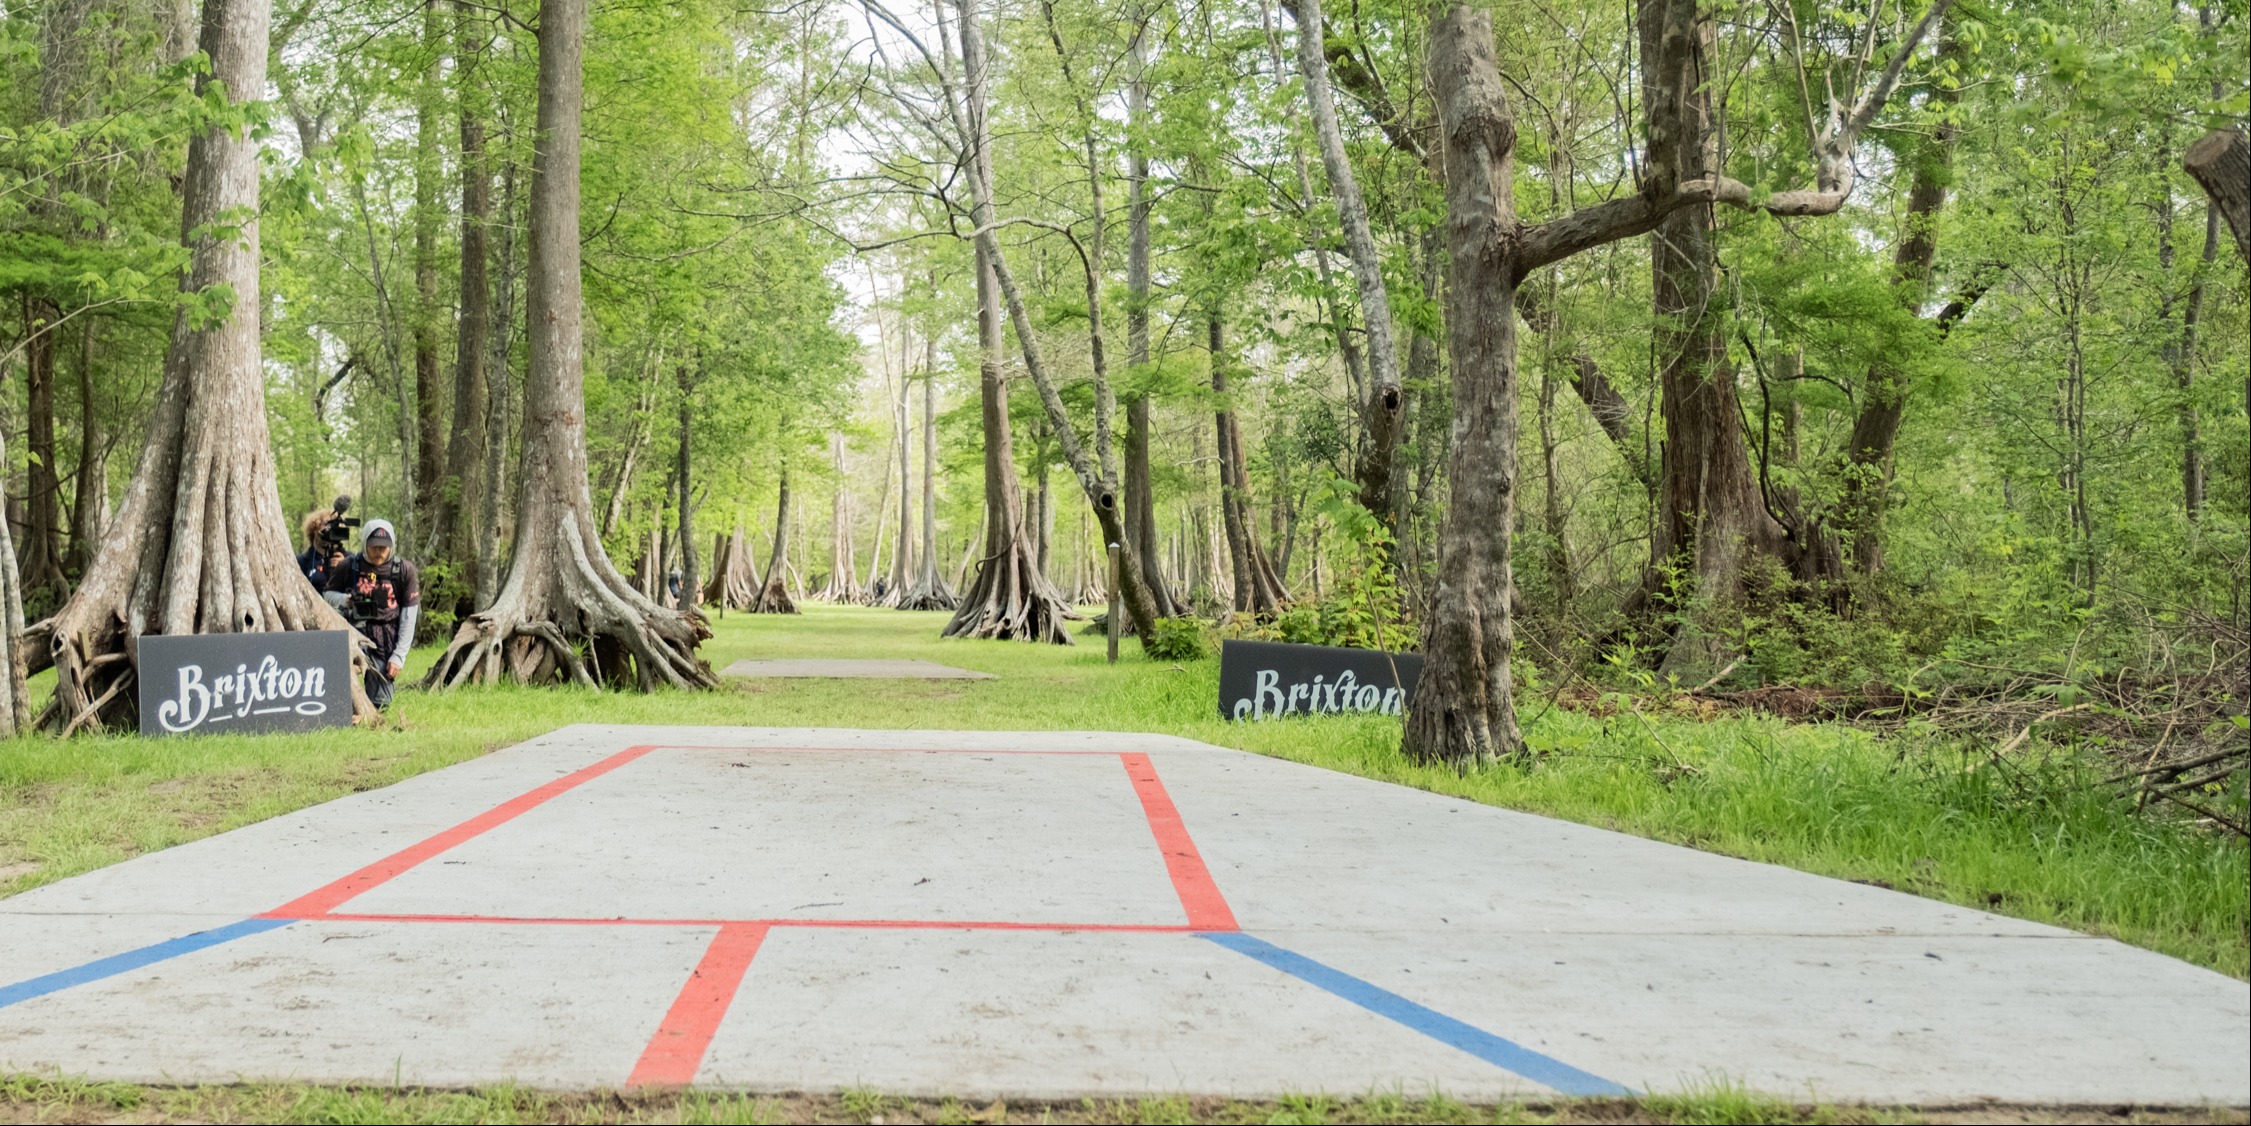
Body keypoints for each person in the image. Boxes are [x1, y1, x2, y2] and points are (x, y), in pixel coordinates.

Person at [323, 519, 420, 709]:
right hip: (354, 631)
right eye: (374, 546)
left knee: (381, 703)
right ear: (365, 543)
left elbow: (409, 617)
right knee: (342, 695)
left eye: (384, 547)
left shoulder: (404, 570)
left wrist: (398, 656)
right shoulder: (349, 566)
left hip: (386, 637)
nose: (379, 552)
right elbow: (327, 595)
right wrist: (346, 600)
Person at [297, 509, 342, 588]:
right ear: (314, 528)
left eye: (333, 525)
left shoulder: (346, 558)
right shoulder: (302, 560)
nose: (329, 528)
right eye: (326, 524)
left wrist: (344, 567)